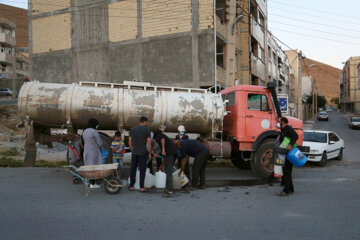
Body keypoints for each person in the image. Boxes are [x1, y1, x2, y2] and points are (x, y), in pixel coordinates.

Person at [128, 116, 152, 192]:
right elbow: (149, 142)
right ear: (145, 122)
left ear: (140, 121)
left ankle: (131, 186)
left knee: (133, 169)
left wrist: (132, 149)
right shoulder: (147, 130)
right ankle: (142, 187)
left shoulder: (133, 129)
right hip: (143, 152)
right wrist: (150, 153)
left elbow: (129, 140)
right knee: (142, 170)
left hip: (134, 152)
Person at [277, 117, 298, 197]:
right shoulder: (283, 129)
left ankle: (286, 191)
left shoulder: (288, 128)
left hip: (288, 153)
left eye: (279, 121)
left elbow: (295, 136)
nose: (278, 123)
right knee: (287, 172)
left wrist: (290, 145)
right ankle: (291, 189)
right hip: (284, 152)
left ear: (283, 122)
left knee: (286, 172)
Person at [154, 131, 177, 197]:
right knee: (168, 171)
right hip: (172, 154)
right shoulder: (166, 138)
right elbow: (165, 158)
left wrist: (163, 150)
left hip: (170, 154)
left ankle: (169, 189)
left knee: (168, 172)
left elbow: (162, 139)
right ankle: (168, 187)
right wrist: (162, 165)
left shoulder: (160, 137)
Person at [82, 118, 103, 188]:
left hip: (86, 150)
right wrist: (101, 147)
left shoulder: (84, 131)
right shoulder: (94, 131)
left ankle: (88, 182)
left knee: (88, 166)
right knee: (94, 166)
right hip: (93, 151)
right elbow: (99, 142)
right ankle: (93, 184)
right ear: (95, 125)